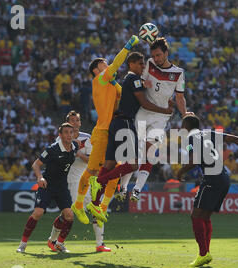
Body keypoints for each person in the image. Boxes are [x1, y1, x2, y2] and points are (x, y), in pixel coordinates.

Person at [87, 52, 172, 222]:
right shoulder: (133, 78)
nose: (142, 66)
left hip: (115, 124)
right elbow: (144, 103)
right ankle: (100, 180)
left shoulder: (131, 80)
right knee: (133, 165)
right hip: (125, 123)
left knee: (110, 164)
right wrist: (165, 110)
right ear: (131, 64)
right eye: (140, 63)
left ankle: (94, 204)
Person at [71, 35, 140, 225]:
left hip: (115, 131)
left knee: (113, 172)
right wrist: (127, 47)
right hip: (102, 131)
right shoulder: (100, 80)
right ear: (96, 69)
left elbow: (124, 94)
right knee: (93, 171)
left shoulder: (111, 83)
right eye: (104, 63)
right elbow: (116, 64)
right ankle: (78, 204)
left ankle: (100, 208)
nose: (107, 64)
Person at [115, 37, 193, 202]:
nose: (156, 59)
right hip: (143, 112)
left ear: (166, 53)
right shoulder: (149, 63)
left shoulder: (178, 73)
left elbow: (180, 97)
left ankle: (136, 190)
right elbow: (141, 83)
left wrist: (185, 113)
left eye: (158, 55)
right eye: (154, 55)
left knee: (149, 153)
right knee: (135, 153)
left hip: (161, 117)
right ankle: (122, 188)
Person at [176, 114, 238, 267]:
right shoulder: (209, 133)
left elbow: (195, 160)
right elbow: (236, 139)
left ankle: (203, 254)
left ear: (186, 127)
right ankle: (205, 253)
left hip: (212, 178)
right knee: (204, 216)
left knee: (196, 215)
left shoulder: (190, 139)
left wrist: (180, 171)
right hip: (224, 177)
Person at [47, 111, 110, 253]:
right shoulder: (60, 140)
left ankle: (100, 244)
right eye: (72, 120)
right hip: (70, 180)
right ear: (67, 123)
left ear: (80, 123)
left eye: (77, 120)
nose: (75, 123)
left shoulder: (88, 138)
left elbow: (94, 160)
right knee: (70, 212)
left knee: (96, 209)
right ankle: (54, 241)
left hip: (86, 179)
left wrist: (79, 154)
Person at [16, 123, 78, 253]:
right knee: (37, 213)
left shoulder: (75, 146)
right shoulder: (52, 149)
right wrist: (40, 178)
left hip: (62, 187)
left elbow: (80, 146)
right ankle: (23, 244)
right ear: (60, 135)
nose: (69, 135)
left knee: (69, 215)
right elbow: (35, 164)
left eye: (71, 132)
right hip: (47, 185)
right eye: (66, 132)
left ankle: (59, 244)